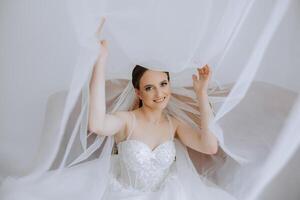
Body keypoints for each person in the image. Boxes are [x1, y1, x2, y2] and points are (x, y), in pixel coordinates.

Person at [88, 40, 236, 199]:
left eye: (163, 84)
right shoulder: (127, 121)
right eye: (149, 88)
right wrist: (100, 61)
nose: (159, 94)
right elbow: (97, 125)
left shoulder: (174, 125)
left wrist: (201, 93)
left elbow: (209, 147)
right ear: (138, 93)